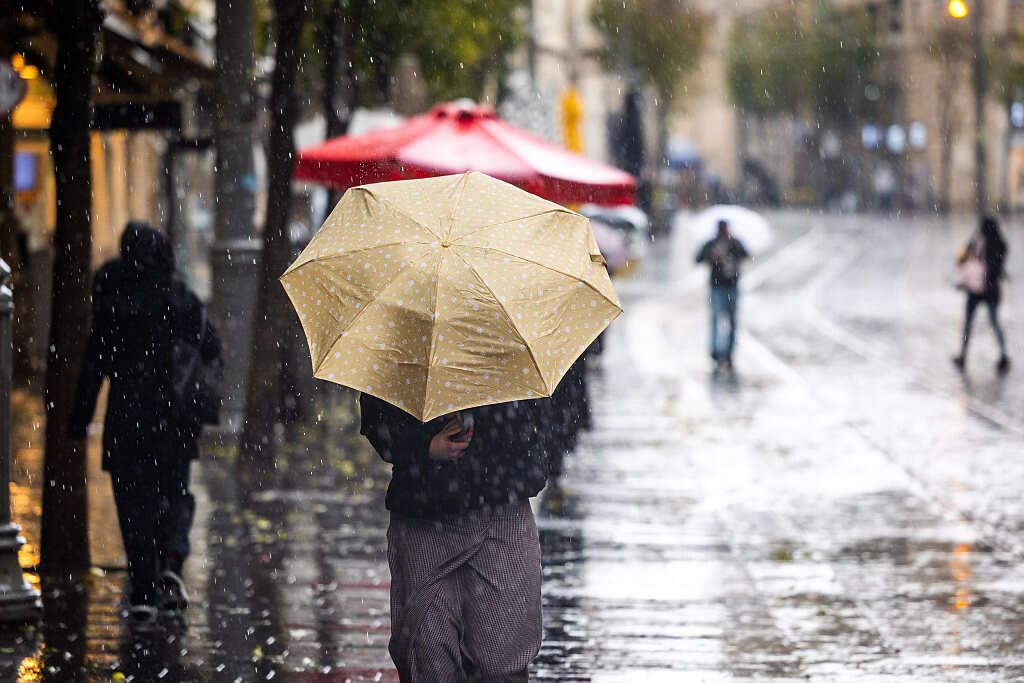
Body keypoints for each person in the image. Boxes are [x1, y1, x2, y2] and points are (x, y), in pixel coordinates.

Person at [68, 222, 221, 629]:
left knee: (132, 501)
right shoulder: (180, 297)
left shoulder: (113, 301)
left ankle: (142, 587)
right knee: (174, 493)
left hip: (127, 415)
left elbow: (93, 362)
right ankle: (170, 563)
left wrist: (80, 419)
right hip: (174, 418)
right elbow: (211, 348)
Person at [359, 394, 549, 681]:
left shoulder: (511, 364)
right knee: (427, 648)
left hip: (500, 508)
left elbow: (536, 431)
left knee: (505, 648)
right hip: (424, 515)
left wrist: (488, 435)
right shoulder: (401, 357)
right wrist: (424, 446)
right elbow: (379, 421)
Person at [953, 215, 1010, 373]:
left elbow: (961, 259)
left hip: (978, 290)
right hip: (990, 290)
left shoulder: (982, 243)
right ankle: (1003, 354)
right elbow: (996, 268)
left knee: (970, 323)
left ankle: (963, 355)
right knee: (993, 322)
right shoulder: (999, 244)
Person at [696, 220, 749, 370]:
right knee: (716, 319)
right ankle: (716, 352)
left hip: (732, 287)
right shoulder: (711, 244)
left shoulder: (735, 243)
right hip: (716, 287)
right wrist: (712, 256)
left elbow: (745, 254)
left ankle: (728, 353)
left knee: (731, 321)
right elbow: (699, 258)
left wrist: (731, 252)